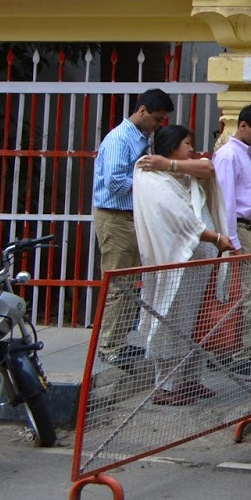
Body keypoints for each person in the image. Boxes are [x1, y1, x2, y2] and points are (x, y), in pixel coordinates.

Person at [131, 125, 228, 405]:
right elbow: (180, 222)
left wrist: (171, 164)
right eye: (187, 143)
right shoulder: (150, 175)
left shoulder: (179, 170)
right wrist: (215, 237)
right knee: (171, 322)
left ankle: (190, 380)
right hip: (176, 266)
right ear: (172, 145)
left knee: (196, 324)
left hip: (198, 268)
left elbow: (208, 168)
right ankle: (166, 386)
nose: (191, 149)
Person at [92, 87, 175, 363]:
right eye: (157, 119)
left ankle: (119, 341)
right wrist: (148, 189)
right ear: (142, 111)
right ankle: (109, 346)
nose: (158, 125)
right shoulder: (120, 139)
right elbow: (115, 182)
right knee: (118, 283)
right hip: (116, 217)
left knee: (129, 283)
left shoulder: (139, 138)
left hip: (131, 216)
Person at [212, 104, 251, 255]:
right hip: (237, 229)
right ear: (243, 125)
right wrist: (233, 240)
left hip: (250, 227)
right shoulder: (228, 156)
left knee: (245, 277)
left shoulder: (249, 154)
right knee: (234, 277)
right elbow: (226, 201)